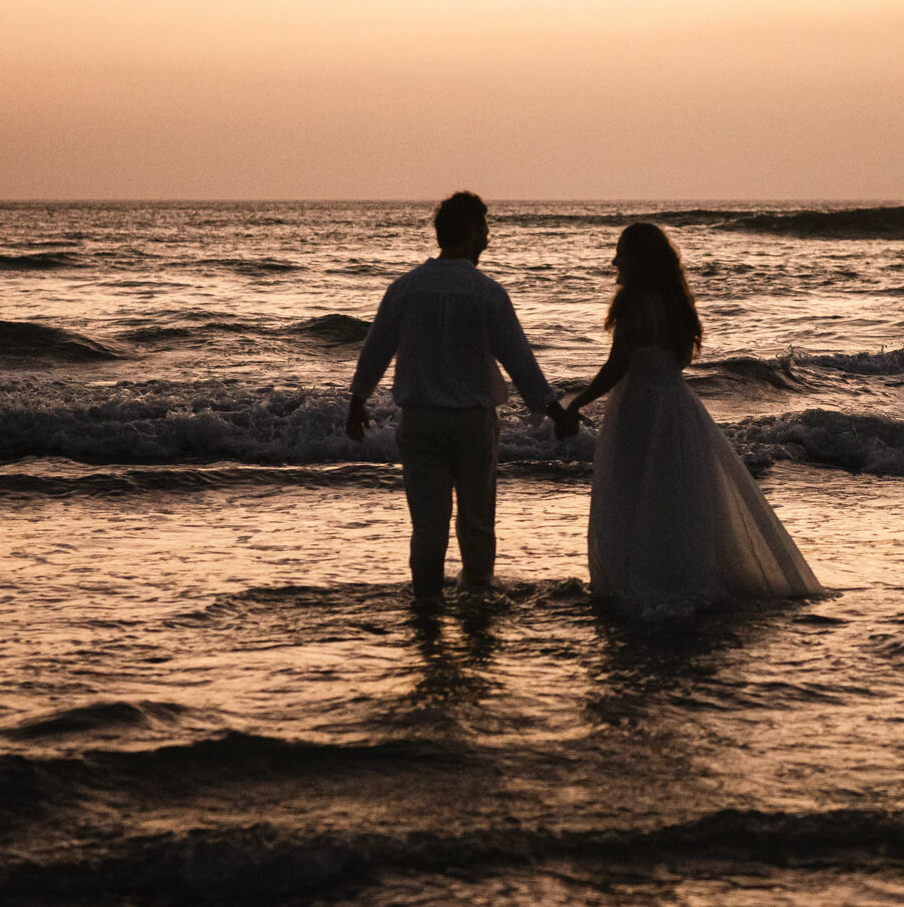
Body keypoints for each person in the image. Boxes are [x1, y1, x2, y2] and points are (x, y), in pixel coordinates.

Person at [564, 223, 824, 616]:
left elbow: (616, 366)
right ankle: (676, 573)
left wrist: (576, 403)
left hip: (640, 409)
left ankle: (640, 578)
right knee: (673, 496)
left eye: (622, 252)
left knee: (635, 492)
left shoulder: (636, 304)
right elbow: (681, 359)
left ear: (639, 259)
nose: (615, 261)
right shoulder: (674, 303)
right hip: (676, 406)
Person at [347, 192, 568, 604]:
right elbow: (519, 360)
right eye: (483, 229)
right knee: (477, 521)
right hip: (472, 422)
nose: (487, 238)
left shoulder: (405, 288)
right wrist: (554, 410)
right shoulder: (487, 292)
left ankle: (427, 602)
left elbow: (376, 349)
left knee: (427, 525)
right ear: (470, 232)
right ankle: (478, 599)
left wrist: (357, 401)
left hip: (420, 420)